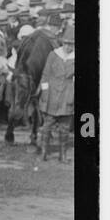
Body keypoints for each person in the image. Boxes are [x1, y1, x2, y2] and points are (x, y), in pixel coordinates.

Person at [39, 24, 75, 162]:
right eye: (66, 43)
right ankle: (43, 152)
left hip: (67, 94)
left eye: (71, 44)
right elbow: (45, 75)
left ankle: (63, 155)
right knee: (47, 126)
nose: (68, 47)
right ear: (62, 42)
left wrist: (72, 93)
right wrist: (45, 94)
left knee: (65, 128)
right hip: (51, 95)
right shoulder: (53, 55)